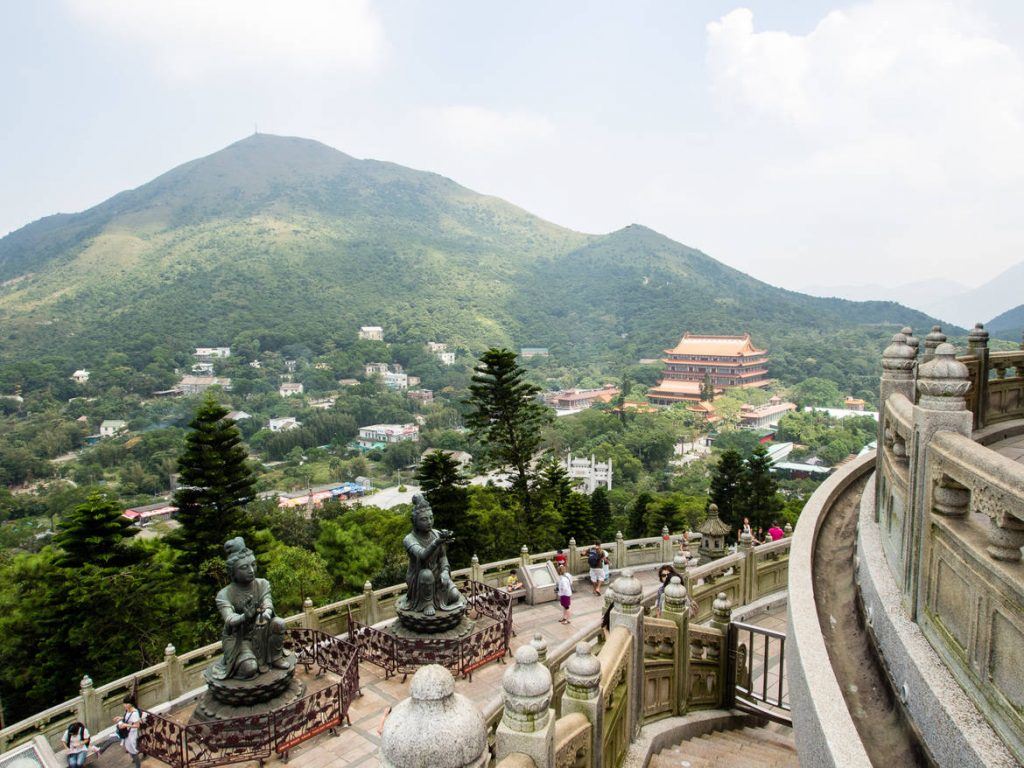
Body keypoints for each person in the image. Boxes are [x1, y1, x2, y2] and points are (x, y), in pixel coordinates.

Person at [113, 698, 141, 768]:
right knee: (129, 749)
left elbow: (137, 725)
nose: (125, 705)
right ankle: (135, 760)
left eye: (126, 703)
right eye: (124, 703)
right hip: (127, 732)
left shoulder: (135, 713)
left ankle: (138, 765)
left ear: (131, 704)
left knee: (133, 751)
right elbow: (128, 718)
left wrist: (126, 725)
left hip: (131, 733)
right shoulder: (128, 710)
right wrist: (120, 718)